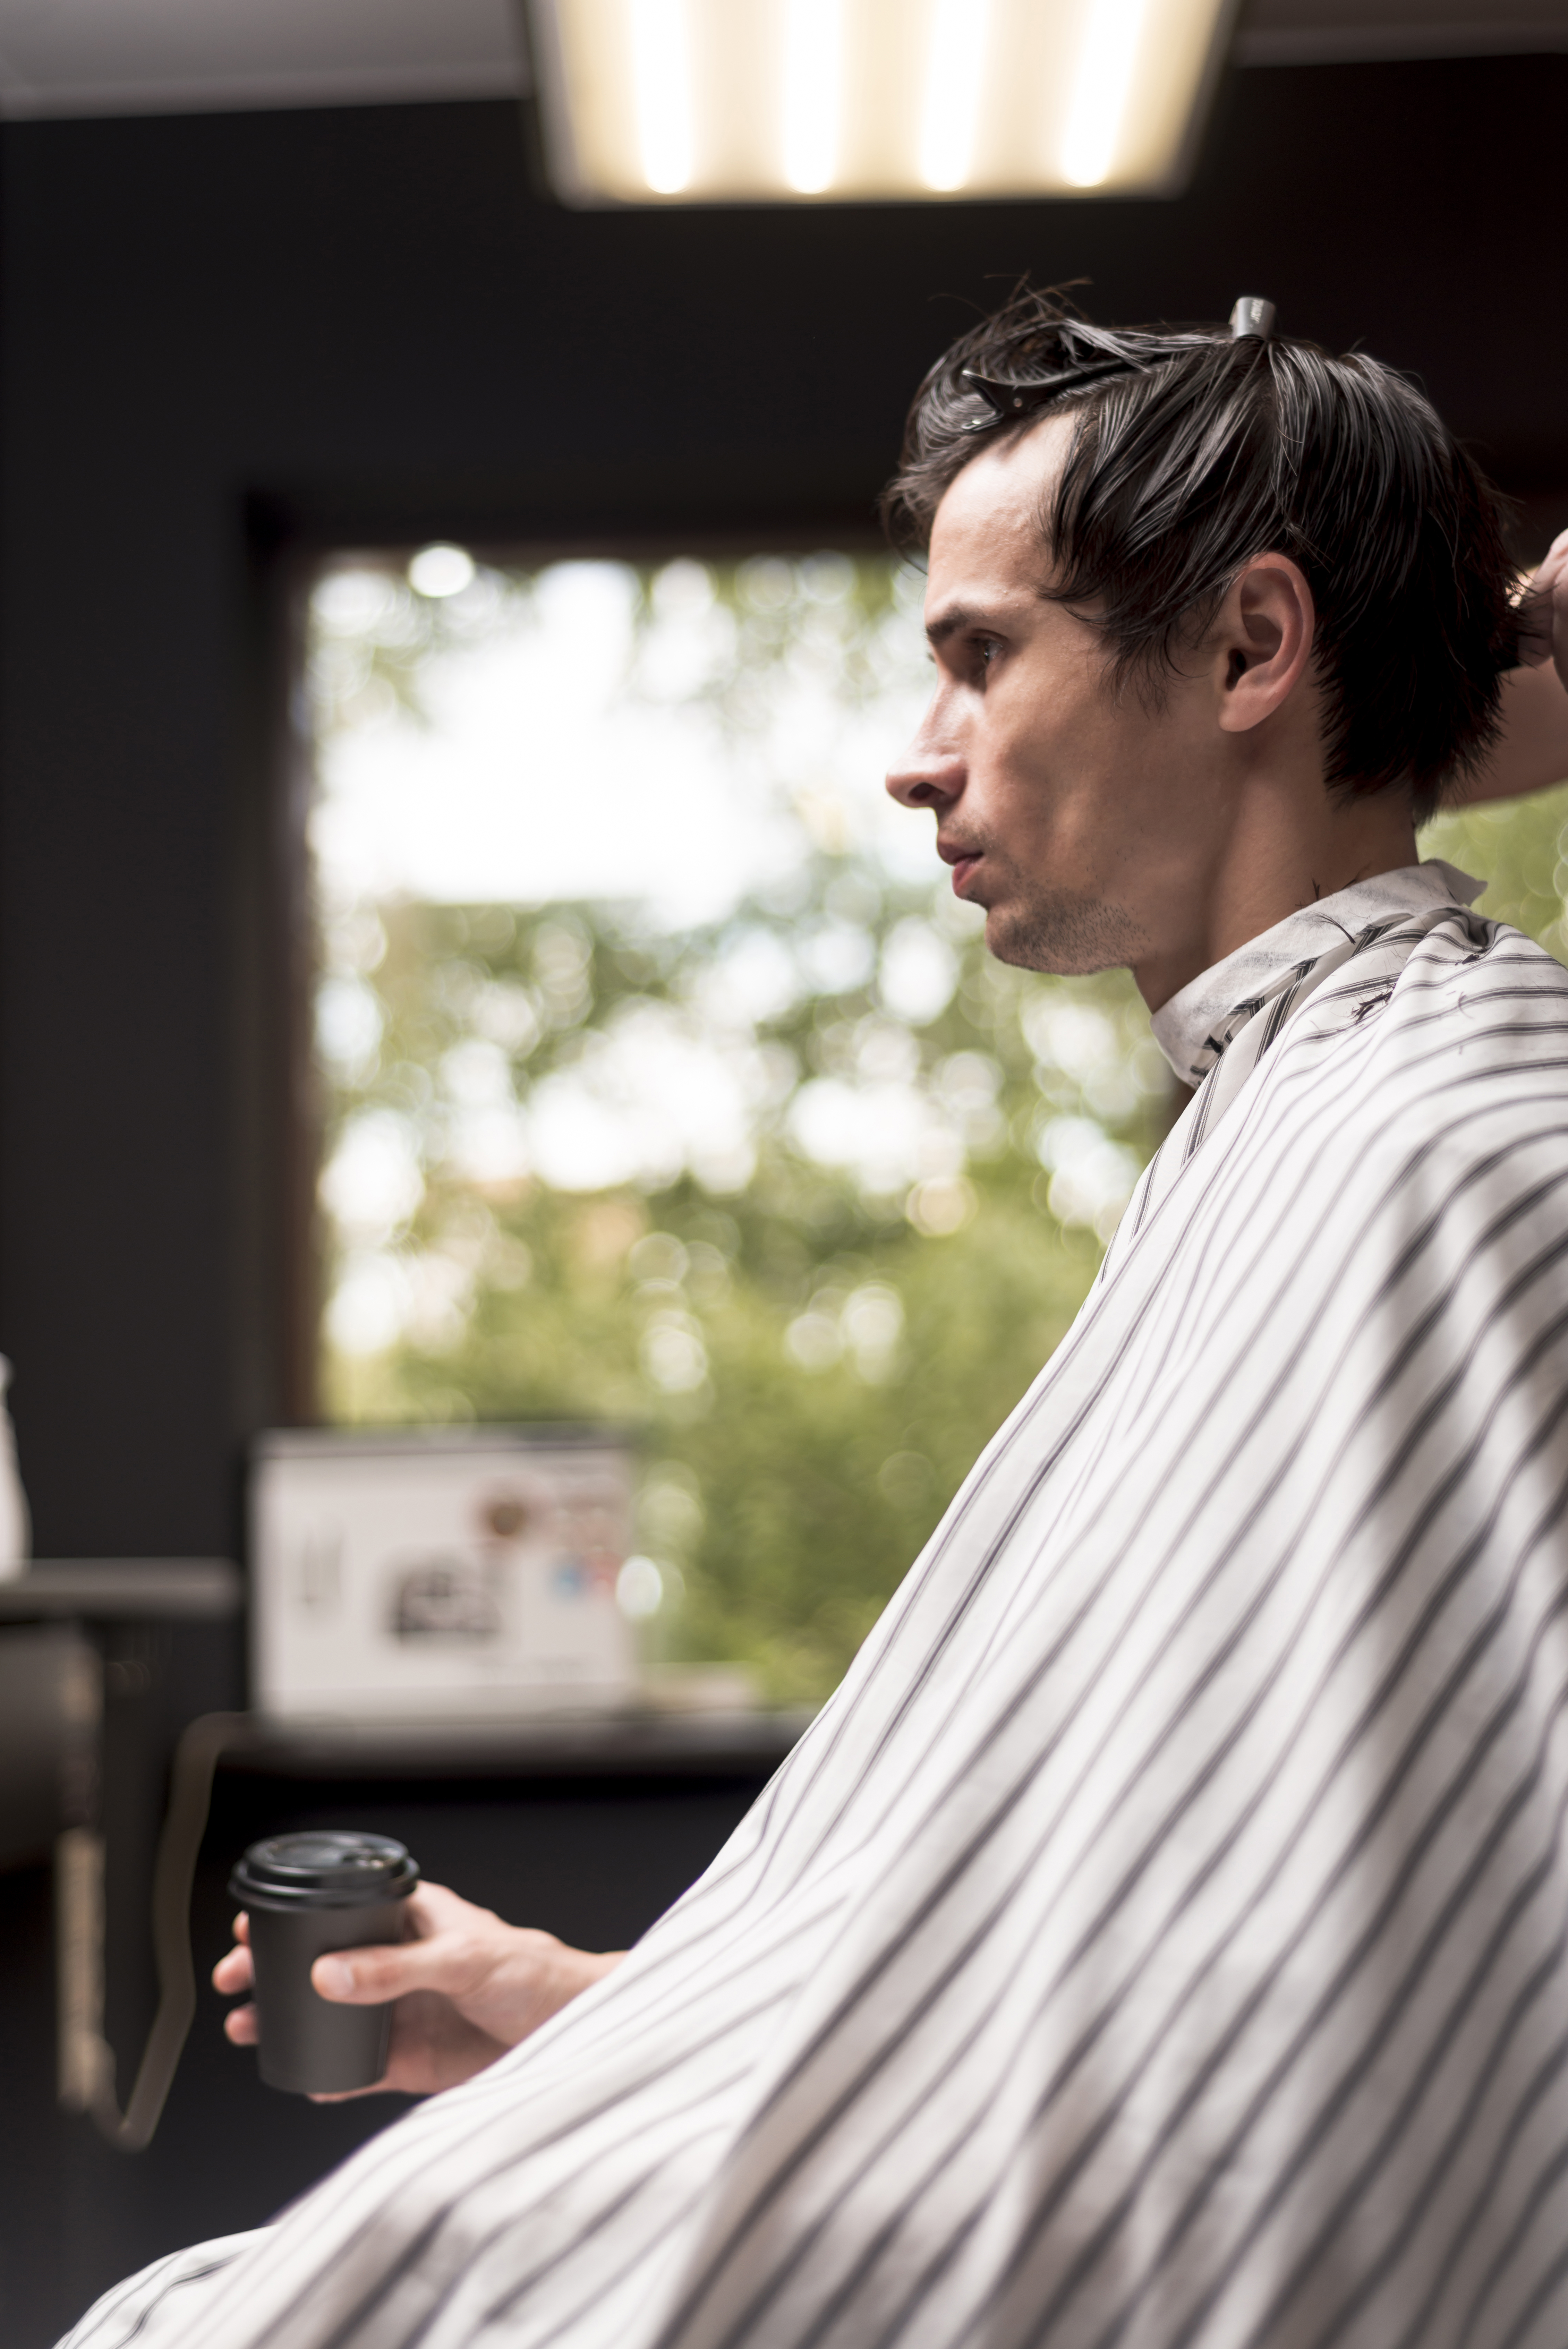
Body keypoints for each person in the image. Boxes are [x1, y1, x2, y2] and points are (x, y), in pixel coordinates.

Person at [63, 291, 1568, 2349]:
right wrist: (603, 2020)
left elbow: (1316, 2051)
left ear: (1247, 646)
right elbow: (1089, 1955)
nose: (915, 753)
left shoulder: (1447, 1150)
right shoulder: (1293, 1119)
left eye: (982, 654)